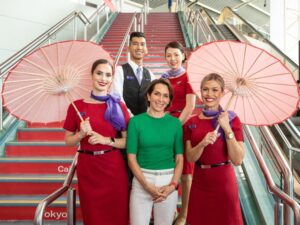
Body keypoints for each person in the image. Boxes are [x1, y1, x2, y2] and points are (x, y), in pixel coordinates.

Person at [63, 59, 130, 225]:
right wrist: (80, 134)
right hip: (88, 169)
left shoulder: (117, 106)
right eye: (99, 73)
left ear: (112, 78)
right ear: (92, 75)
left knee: (117, 214)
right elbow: (68, 141)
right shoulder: (76, 106)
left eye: (108, 75)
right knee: (92, 216)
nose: (103, 78)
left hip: (113, 168)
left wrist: (106, 140)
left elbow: (127, 141)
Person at [184, 73, 245, 225]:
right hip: (199, 183)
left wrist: (227, 129)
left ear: (222, 92)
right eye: (205, 89)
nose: (209, 94)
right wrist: (202, 143)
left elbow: (238, 160)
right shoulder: (191, 122)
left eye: (215, 90)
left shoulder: (232, 119)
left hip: (224, 183)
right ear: (200, 92)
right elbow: (190, 157)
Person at [127, 78, 184, 225]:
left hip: (168, 183)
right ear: (148, 96)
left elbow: (179, 158)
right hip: (142, 181)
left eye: (165, 95)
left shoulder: (175, 123)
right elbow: (131, 158)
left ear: (169, 99)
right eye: (157, 94)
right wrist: (146, 186)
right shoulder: (135, 122)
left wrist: (173, 186)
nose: (161, 99)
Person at [162, 41, 196, 225]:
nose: (173, 59)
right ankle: (171, 210)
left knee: (185, 174)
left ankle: (184, 215)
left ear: (183, 56)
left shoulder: (189, 77)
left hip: (182, 125)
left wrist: (175, 125)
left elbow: (190, 107)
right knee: (168, 169)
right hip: (167, 124)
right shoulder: (164, 78)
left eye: (176, 54)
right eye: (169, 55)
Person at [112, 31, 156, 116]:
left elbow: (153, 101)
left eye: (142, 44)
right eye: (135, 44)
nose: (139, 47)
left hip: (145, 122)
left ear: (146, 49)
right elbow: (117, 98)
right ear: (128, 48)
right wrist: (131, 117)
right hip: (126, 121)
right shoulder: (120, 71)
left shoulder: (150, 75)